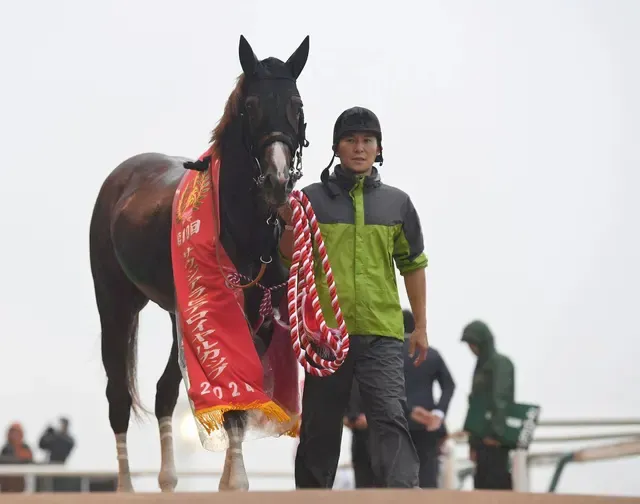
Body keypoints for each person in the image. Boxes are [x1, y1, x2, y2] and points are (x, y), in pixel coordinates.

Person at [279, 106, 429, 489]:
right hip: (328, 334)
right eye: (351, 140)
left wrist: (421, 326)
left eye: (367, 141)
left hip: (381, 331)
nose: (359, 148)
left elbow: (412, 264)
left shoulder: (398, 204)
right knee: (319, 426)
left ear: (379, 149)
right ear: (336, 147)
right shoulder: (309, 200)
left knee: (390, 418)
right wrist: (285, 220)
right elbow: (286, 257)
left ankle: (404, 496)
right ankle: (311, 498)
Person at [402, 309, 455, 488]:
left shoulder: (389, 356)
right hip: (429, 425)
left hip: (400, 422)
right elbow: (449, 385)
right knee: (428, 477)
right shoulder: (431, 354)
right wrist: (438, 414)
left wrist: (409, 410)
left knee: (400, 479)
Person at [461, 320, 515, 490]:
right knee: (481, 487)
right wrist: (472, 443)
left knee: (498, 485)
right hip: (480, 442)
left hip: (495, 441)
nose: (471, 348)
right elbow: (475, 406)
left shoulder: (500, 363)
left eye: (473, 343)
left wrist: (496, 433)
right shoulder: (479, 367)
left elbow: (501, 398)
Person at [0, 423, 33, 493]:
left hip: (21, 483)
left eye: (17, 433)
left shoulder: (25, 447)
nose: (14, 435)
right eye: (12, 433)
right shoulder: (6, 448)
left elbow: (29, 460)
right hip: (7, 484)